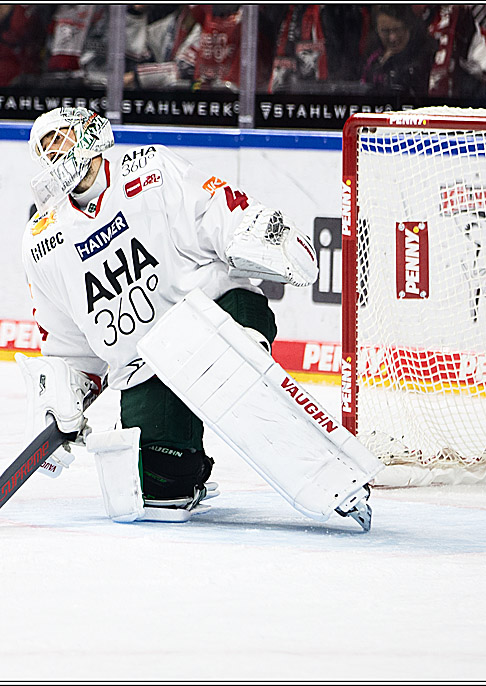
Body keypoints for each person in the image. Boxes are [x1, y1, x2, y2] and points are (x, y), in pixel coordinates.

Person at [18, 107, 326, 521]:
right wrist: (60, 401)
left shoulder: (149, 170)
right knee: (162, 489)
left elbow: (216, 209)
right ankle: (190, 469)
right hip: (147, 365)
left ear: (89, 135)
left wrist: (257, 233)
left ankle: (293, 429)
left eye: (61, 139)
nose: (55, 153)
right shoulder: (42, 245)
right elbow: (68, 343)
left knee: (236, 363)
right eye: (46, 149)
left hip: (213, 317)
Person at [360, 5, 434, 96]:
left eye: (397, 30)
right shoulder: (374, 60)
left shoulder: (428, 56)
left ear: (408, 27)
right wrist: (381, 67)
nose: (392, 38)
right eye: (385, 31)